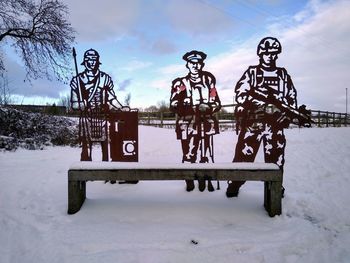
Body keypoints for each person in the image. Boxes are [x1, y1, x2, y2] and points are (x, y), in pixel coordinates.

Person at [226, 37, 298, 197]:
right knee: (244, 156)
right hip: (254, 123)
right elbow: (241, 94)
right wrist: (260, 104)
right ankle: (234, 184)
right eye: (267, 53)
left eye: (274, 54)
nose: (271, 57)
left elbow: (291, 97)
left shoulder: (282, 75)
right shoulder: (252, 73)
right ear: (260, 54)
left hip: (275, 125)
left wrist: (284, 107)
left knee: (276, 159)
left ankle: (275, 186)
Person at [170, 50, 221, 192]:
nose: (195, 66)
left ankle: (206, 178)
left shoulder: (208, 81)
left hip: (206, 123)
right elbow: (173, 104)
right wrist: (185, 106)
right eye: (192, 63)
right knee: (189, 153)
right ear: (187, 64)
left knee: (206, 152)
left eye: (198, 63)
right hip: (188, 124)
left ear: (202, 64)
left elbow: (216, 101)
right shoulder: (181, 83)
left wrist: (209, 107)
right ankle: (189, 179)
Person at [70, 49, 123, 161]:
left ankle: (106, 170)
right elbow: (74, 104)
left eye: (94, 60)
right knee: (87, 146)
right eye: (89, 60)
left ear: (98, 61)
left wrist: (122, 108)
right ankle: (85, 169)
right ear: (85, 62)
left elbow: (112, 98)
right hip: (86, 117)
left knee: (104, 144)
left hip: (101, 117)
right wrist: (80, 104)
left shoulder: (105, 78)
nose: (91, 62)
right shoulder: (77, 80)